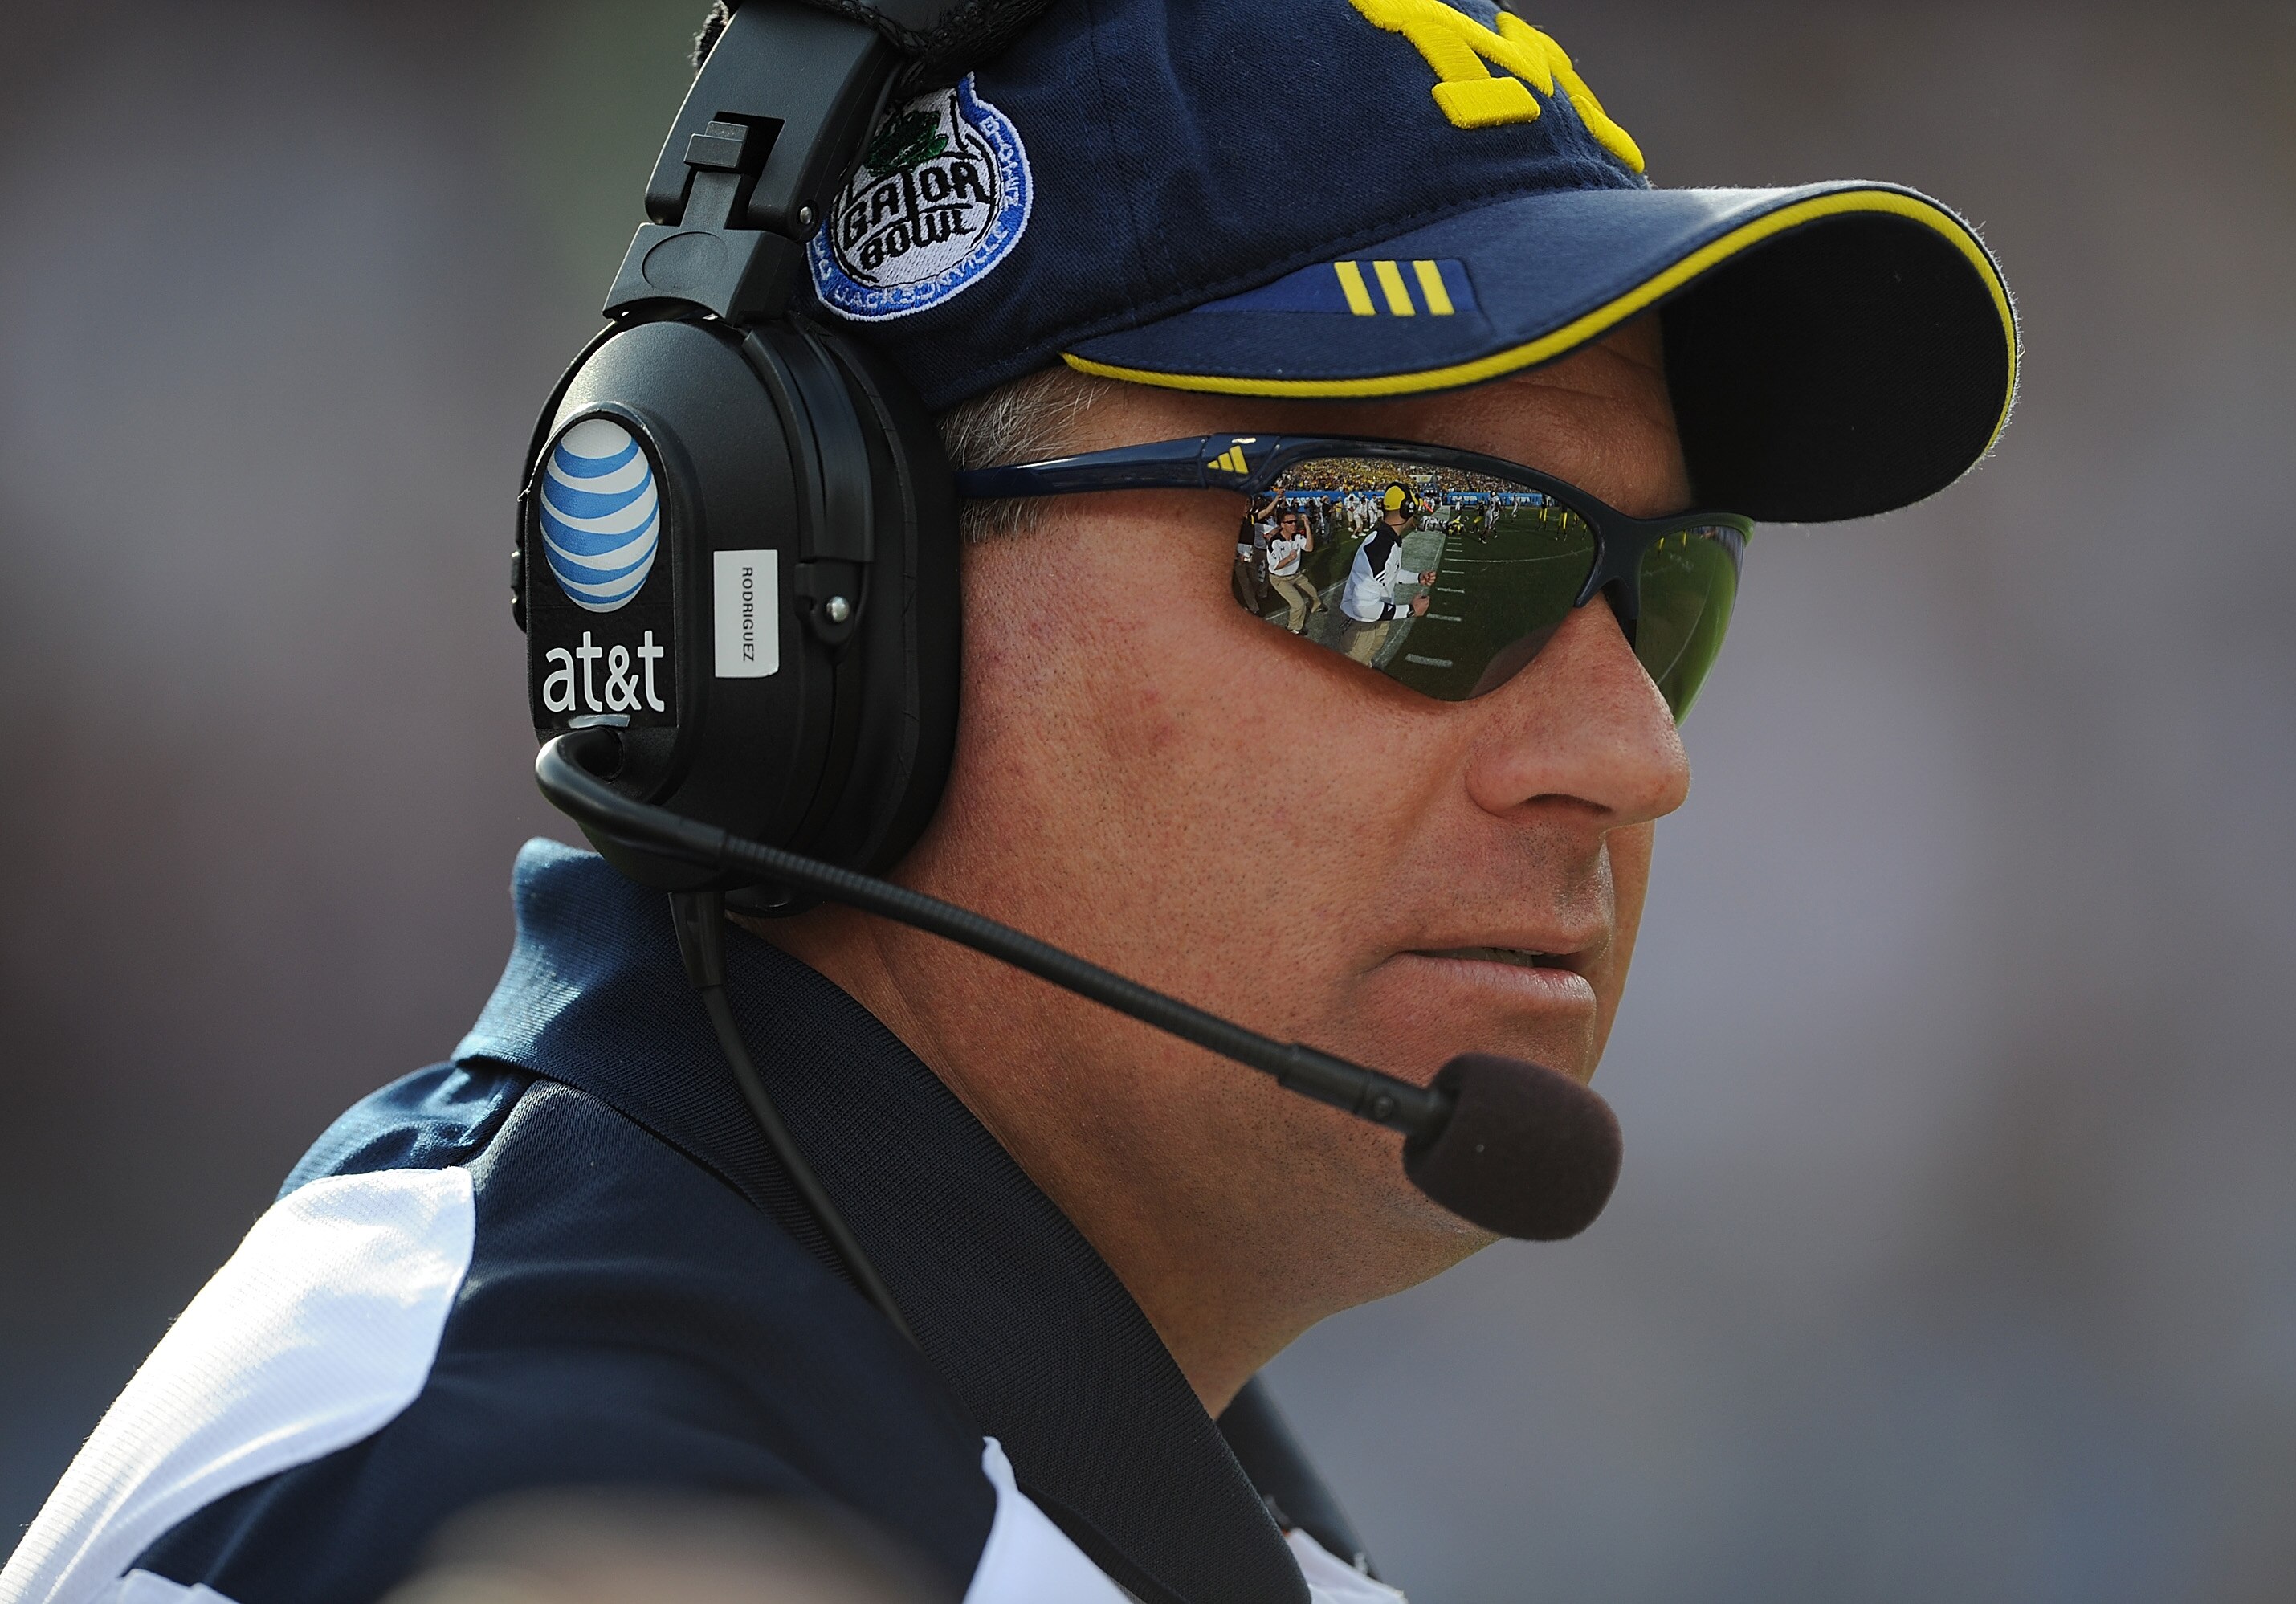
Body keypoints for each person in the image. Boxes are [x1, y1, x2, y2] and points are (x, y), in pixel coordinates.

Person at [0, 2, 2015, 1602]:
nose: (1635, 751)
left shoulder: (968, 1449)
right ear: (819, 606)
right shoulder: (464, 1507)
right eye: (1406, 548)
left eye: (1662, 593)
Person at [1336, 483, 1438, 666]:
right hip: (1363, 625)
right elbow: (1363, 607)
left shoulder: (1389, 540)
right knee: (1350, 677)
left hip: (1378, 617)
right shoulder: (1380, 547)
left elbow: (1389, 574)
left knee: (1366, 664)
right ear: (1408, 510)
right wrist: (1410, 610)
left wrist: (1417, 577)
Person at [1264, 504, 1322, 634]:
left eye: (1295, 521)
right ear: (1282, 525)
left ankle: (1315, 607)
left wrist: (1307, 526)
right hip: (1279, 578)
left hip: (1295, 575)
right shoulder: (1275, 542)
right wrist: (1289, 559)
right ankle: (1293, 628)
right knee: (1298, 604)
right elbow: (1275, 566)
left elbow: (1309, 548)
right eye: (1289, 522)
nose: (1294, 524)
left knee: (1312, 592)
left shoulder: (1297, 537)